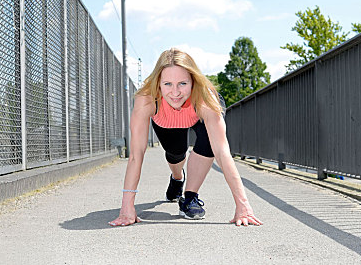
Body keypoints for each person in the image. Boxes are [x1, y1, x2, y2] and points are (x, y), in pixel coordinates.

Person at [109, 48, 262, 227]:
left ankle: (189, 198)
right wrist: (127, 207)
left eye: (182, 83)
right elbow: (136, 154)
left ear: (193, 81)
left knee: (209, 145)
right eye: (167, 84)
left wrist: (243, 206)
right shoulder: (147, 99)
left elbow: (222, 152)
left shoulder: (206, 99)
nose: (175, 92)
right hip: (166, 120)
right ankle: (177, 178)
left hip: (197, 113)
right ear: (158, 83)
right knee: (176, 152)